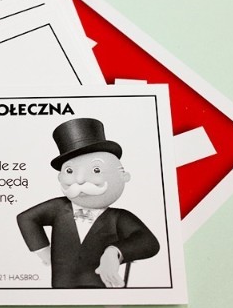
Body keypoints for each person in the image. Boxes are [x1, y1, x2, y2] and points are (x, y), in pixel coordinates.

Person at [17, 118, 159, 288]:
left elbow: (148, 242)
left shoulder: (118, 217)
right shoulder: (58, 208)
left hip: (102, 290)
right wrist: (43, 251)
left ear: (123, 176)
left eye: (96, 170)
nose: (79, 179)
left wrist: (114, 252)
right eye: (70, 171)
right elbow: (26, 218)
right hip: (62, 288)